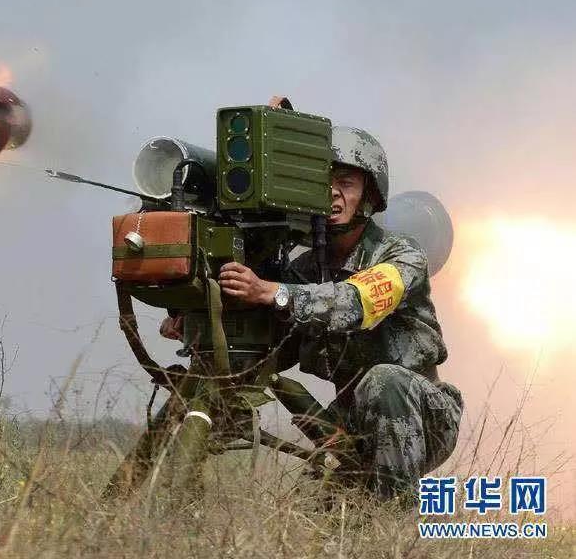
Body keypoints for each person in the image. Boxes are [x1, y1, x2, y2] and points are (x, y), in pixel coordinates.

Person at [159, 126, 462, 500]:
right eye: (324, 182)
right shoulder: (304, 270)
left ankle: (397, 521)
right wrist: (203, 320)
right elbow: (275, 342)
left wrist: (273, 292)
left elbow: (356, 302)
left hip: (423, 413)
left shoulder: (402, 256)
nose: (332, 192)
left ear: (369, 197)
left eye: (346, 183)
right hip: (353, 417)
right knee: (312, 514)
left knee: (384, 381)